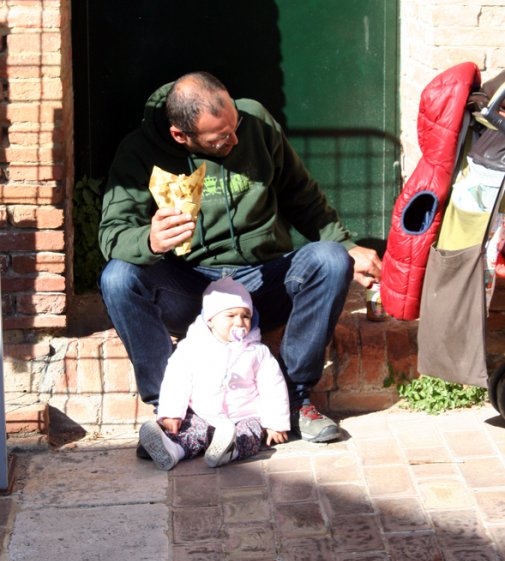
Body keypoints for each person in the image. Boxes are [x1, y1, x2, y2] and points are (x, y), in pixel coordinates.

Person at [99, 71, 382, 453]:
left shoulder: (256, 122)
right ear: (181, 136)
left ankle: (296, 398)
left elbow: (300, 193)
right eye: (221, 138)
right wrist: (148, 240)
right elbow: (112, 234)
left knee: (330, 260)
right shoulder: (139, 152)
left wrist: (345, 244)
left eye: (235, 126)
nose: (235, 139)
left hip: (262, 281)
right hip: (193, 290)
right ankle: (173, 413)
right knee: (118, 278)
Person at [139, 276, 290, 470]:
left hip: (244, 416)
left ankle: (228, 451)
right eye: (231, 315)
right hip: (204, 414)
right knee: (191, 430)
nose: (240, 321)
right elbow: (177, 380)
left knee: (250, 432)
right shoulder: (192, 348)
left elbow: (273, 386)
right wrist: (171, 413)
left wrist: (275, 423)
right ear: (210, 320)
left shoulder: (257, 352)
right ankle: (172, 450)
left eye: (246, 316)